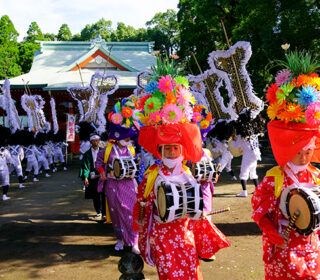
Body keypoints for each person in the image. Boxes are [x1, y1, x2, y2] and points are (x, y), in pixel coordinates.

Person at [133, 74, 230, 279]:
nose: (171, 152)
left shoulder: (188, 173)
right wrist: (149, 208)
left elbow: (196, 203)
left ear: (181, 149)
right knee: (168, 274)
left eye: (175, 148)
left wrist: (200, 213)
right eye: (166, 148)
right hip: (162, 236)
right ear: (159, 150)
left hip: (185, 235)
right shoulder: (152, 174)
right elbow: (142, 204)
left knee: (191, 273)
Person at [252, 52, 320, 279]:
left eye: (308, 152)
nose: (303, 157)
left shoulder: (316, 176)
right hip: (284, 248)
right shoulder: (275, 177)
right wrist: (271, 232)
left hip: (311, 249)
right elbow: (260, 211)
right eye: (297, 152)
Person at [95, 98, 140, 254]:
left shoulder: (131, 150)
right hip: (113, 185)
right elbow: (99, 163)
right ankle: (120, 239)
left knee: (130, 212)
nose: (128, 139)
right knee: (115, 213)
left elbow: (135, 165)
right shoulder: (107, 150)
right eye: (125, 136)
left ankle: (133, 242)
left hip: (128, 184)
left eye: (129, 136)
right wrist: (102, 172)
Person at [79, 134, 105, 218]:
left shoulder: (103, 151)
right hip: (93, 175)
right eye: (94, 140)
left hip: (102, 175)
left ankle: (104, 212)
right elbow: (85, 166)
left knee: (104, 194)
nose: (96, 142)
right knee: (95, 195)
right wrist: (85, 177)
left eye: (97, 140)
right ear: (91, 142)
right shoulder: (87, 154)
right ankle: (98, 211)